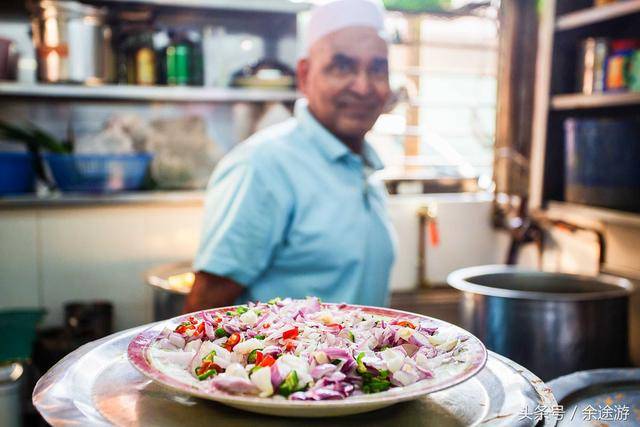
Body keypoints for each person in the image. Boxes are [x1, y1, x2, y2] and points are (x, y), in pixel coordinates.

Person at [184, 0, 396, 312]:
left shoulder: (365, 168)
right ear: (305, 75)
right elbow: (202, 311)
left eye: (377, 69)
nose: (364, 87)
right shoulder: (264, 166)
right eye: (342, 66)